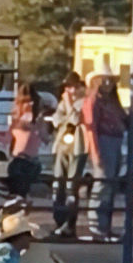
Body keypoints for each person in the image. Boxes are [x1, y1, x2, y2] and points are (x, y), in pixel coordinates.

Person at [82, 62, 127, 240]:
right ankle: (96, 226)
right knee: (102, 185)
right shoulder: (92, 101)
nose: (107, 83)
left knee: (110, 186)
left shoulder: (114, 102)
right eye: (104, 79)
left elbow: (125, 119)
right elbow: (91, 128)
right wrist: (95, 152)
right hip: (104, 142)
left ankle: (105, 226)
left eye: (110, 80)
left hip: (116, 142)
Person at [51, 71, 87, 238]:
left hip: (77, 148)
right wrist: (65, 111)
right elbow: (57, 119)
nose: (70, 90)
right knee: (59, 184)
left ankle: (69, 225)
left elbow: (75, 119)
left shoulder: (84, 102)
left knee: (71, 187)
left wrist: (68, 106)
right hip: (62, 147)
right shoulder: (63, 103)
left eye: (73, 87)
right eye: (68, 87)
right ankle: (59, 221)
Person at [6, 82, 45, 201]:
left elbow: (45, 138)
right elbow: (8, 138)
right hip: (17, 159)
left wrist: (36, 127)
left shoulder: (37, 121)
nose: (28, 105)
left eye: (31, 102)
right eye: (24, 102)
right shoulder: (15, 120)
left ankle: (20, 199)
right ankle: (17, 200)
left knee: (20, 173)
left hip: (30, 161)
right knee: (15, 170)